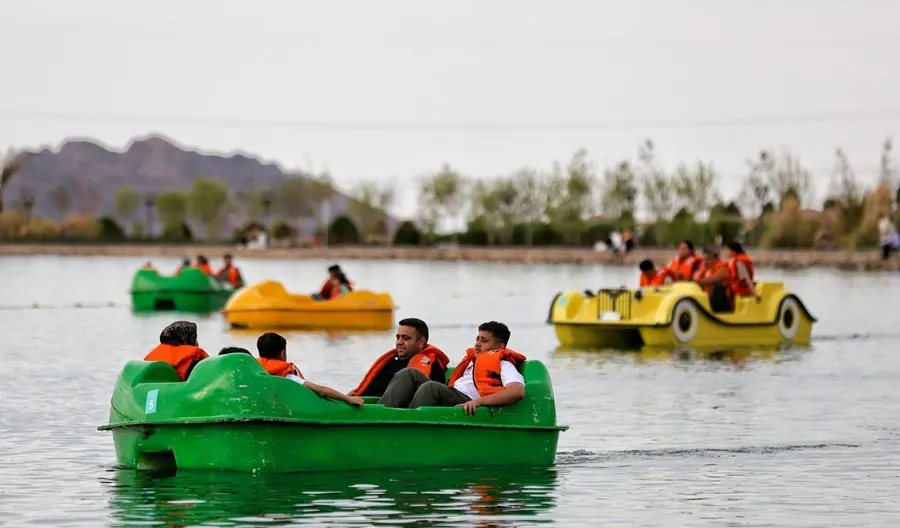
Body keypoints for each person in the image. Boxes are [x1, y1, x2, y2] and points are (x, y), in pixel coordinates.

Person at [378, 321, 526, 415]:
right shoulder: (472, 363)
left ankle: (406, 426)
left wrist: (479, 402)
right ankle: (379, 414)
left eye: (484, 341)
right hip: (452, 394)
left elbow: (517, 391)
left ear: (500, 346)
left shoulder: (503, 365)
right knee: (410, 373)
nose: (477, 344)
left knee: (431, 388)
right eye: (477, 339)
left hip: (468, 400)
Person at [256, 332, 364, 408]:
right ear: (282, 353)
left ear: (260, 354)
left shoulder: (255, 373)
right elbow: (323, 391)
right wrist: (348, 399)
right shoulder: (287, 377)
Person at [349, 318, 450, 398]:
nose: (399, 342)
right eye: (398, 337)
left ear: (421, 342)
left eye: (406, 338)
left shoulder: (432, 368)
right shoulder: (390, 361)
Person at [143, 321, 209, 381]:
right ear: (189, 342)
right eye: (195, 339)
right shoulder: (195, 364)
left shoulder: (151, 361)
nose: (197, 342)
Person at [693, 247, 732, 312]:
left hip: (722, 303)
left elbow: (710, 280)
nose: (705, 262)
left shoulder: (722, 270)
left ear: (716, 259)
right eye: (704, 260)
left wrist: (693, 282)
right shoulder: (702, 270)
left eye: (708, 260)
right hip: (705, 299)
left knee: (718, 288)